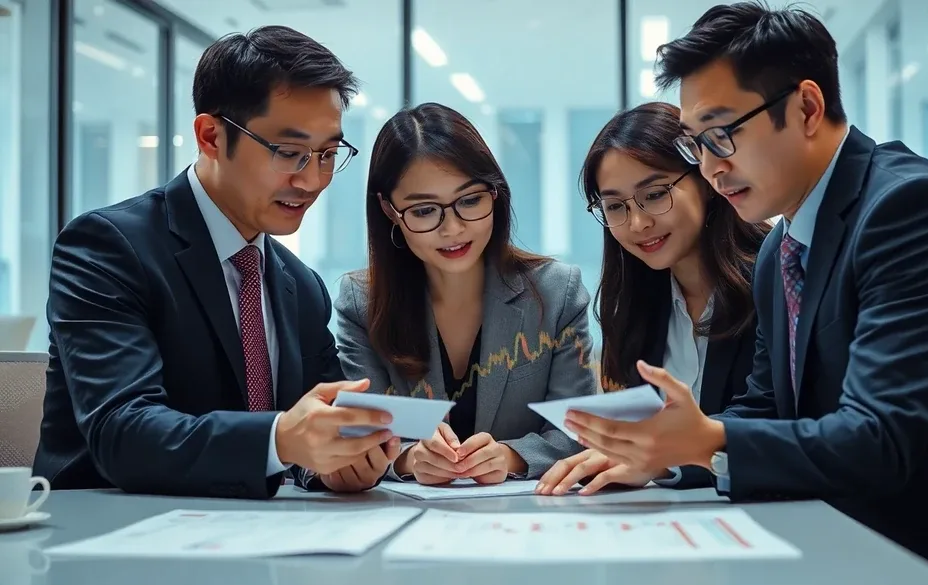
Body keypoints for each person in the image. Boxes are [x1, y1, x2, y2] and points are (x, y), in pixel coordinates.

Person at [562, 3, 928, 583]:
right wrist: (663, 456)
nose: (710, 168)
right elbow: (766, 410)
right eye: (698, 145)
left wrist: (704, 440)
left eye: (722, 135)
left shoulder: (906, 209)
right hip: (842, 545)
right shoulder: (784, 251)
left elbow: (878, 438)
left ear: (806, 107)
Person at [34, 26, 400, 499]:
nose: (312, 180)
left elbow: (319, 420)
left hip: (257, 542)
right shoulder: (109, 247)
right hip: (107, 536)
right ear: (210, 136)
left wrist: (336, 462)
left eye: (328, 154)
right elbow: (121, 431)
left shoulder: (300, 283)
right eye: (289, 153)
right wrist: (282, 439)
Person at [324, 102, 598, 489]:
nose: (453, 228)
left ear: (496, 194)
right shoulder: (361, 302)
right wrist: (408, 457)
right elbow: (355, 434)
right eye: (424, 210)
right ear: (389, 210)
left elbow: (581, 429)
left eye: (470, 201)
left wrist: (511, 455)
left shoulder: (557, 292)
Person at [535, 103, 771, 496]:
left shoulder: (772, 278)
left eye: (655, 194)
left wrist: (663, 462)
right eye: (615, 207)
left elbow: (776, 426)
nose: (638, 223)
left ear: (706, 179)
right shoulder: (633, 303)